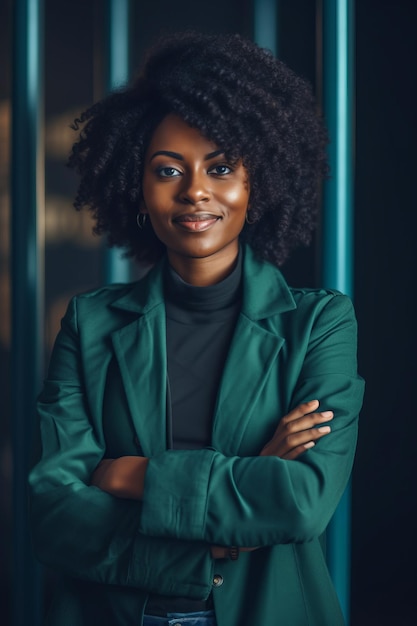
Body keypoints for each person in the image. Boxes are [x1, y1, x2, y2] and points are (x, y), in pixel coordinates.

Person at [28, 31, 365, 626]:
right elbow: (55, 515)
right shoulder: (91, 323)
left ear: (255, 182)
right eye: (167, 170)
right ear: (136, 188)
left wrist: (128, 473)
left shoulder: (318, 322)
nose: (196, 191)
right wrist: (214, 541)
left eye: (222, 166)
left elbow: (301, 502)